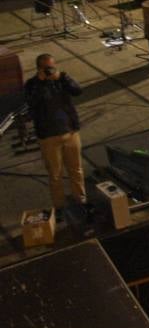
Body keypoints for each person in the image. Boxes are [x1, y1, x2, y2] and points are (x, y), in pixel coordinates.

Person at [24, 53, 85, 213]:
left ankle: (81, 199)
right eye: (47, 68)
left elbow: (78, 91)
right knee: (55, 175)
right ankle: (60, 206)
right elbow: (31, 103)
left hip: (70, 132)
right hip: (49, 137)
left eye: (53, 66)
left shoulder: (61, 80)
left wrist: (64, 78)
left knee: (76, 169)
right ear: (39, 69)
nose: (51, 70)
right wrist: (41, 82)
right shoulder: (32, 84)